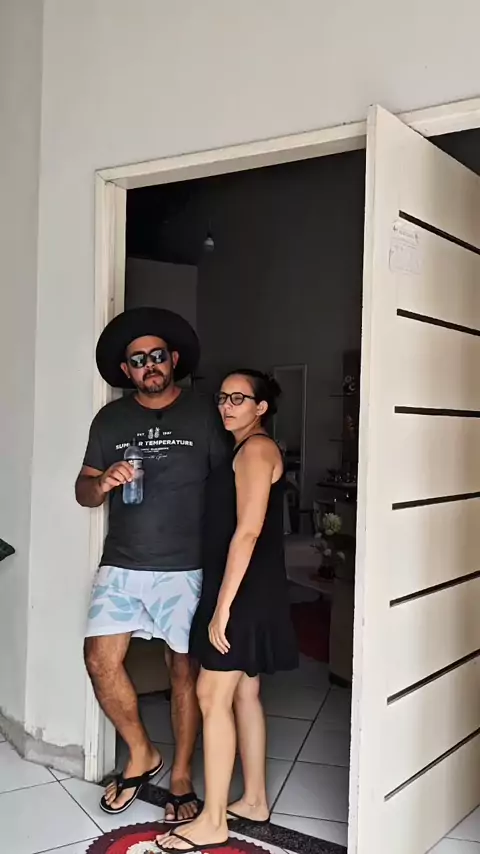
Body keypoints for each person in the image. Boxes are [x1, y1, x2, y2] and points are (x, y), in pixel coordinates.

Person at [75, 307, 228, 820]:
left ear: (174, 359)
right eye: (137, 360)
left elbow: (230, 485)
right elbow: (83, 490)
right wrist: (102, 482)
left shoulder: (205, 414)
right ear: (126, 371)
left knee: (183, 670)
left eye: (157, 356)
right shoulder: (110, 420)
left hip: (186, 566)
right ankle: (142, 752)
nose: (149, 366)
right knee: (99, 659)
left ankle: (180, 774)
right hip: (122, 562)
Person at [158, 369, 299, 852]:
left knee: (210, 695)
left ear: (261, 407)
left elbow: (249, 531)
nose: (226, 405)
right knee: (244, 694)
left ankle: (213, 820)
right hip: (250, 589)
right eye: (222, 397)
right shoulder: (245, 449)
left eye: (239, 398)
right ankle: (255, 799)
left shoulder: (257, 450)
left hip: (243, 592)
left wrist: (222, 608)